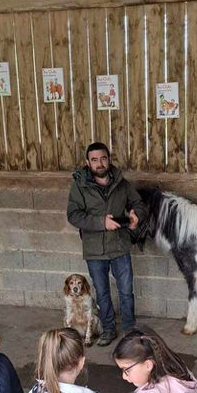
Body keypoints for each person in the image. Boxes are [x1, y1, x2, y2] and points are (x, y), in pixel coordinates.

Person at [66, 142, 146, 346]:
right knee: (102, 293)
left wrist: (137, 215)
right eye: (94, 160)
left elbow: (138, 203)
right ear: (88, 162)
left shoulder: (121, 183)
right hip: (94, 249)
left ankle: (129, 328)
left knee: (126, 291)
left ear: (109, 159)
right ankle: (108, 329)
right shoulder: (79, 186)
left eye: (103, 158)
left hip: (119, 245)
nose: (99, 163)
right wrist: (102, 222)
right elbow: (73, 215)